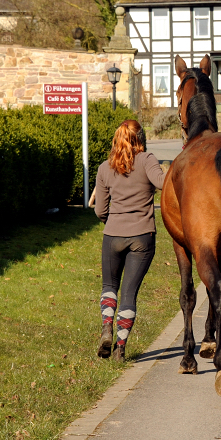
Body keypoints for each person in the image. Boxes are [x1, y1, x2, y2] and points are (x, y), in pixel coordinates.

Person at [94, 120, 165, 362]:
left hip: (112, 235)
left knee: (109, 287)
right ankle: (120, 348)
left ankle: (106, 328)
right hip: (142, 237)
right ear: (141, 139)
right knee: (129, 294)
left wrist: (111, 221)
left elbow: (100, 210)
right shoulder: (147, 160)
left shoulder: (105, 167)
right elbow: (164, 183)